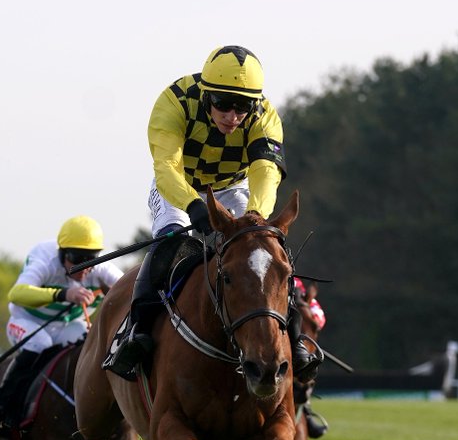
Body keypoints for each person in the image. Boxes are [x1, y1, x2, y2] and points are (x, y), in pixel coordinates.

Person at [103, 44, 318, 383]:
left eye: (243, 106)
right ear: (206, 95)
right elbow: (167, 167)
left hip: (233, 189)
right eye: (223, 104)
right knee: (168, 246)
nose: (233, 116)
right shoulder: (173, 103)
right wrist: (193, 205)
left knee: (265, 251)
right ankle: (136, 334)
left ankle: (294, 337)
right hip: (178, 186)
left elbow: (266, 171)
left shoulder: (265, 118)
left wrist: (255, 219)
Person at [0, 215, 123, 433]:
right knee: (41, 342)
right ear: (63, 253)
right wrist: (64, 294)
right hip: (27, 322)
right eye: (77, 258)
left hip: (68, 325)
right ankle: (2, 408)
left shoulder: (100, 269)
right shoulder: (45, 261)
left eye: (91, 259)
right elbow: (16, 293)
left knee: (89, 348)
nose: (84, 267)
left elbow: (129, 288)